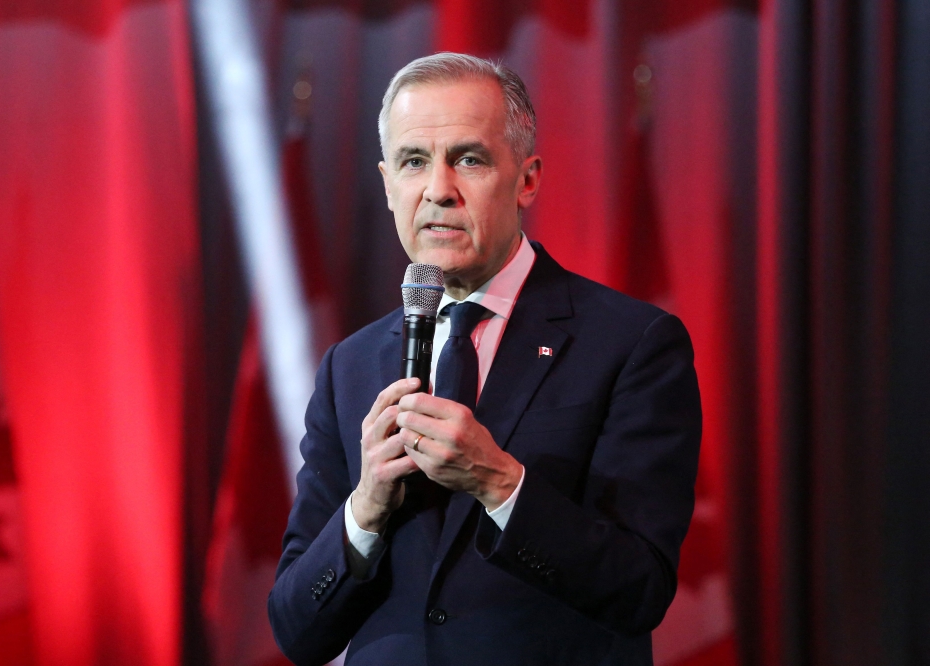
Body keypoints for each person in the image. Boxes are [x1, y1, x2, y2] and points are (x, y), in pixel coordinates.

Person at [268, 53, 701, 666]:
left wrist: (497, 481)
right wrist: (365, 507)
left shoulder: (633, 343)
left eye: (468, 159)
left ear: (526, 179)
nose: (438, 190)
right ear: (388, 183)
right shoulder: (350, 366)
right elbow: (295, 628)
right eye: (414, 162)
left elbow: (639, 589)